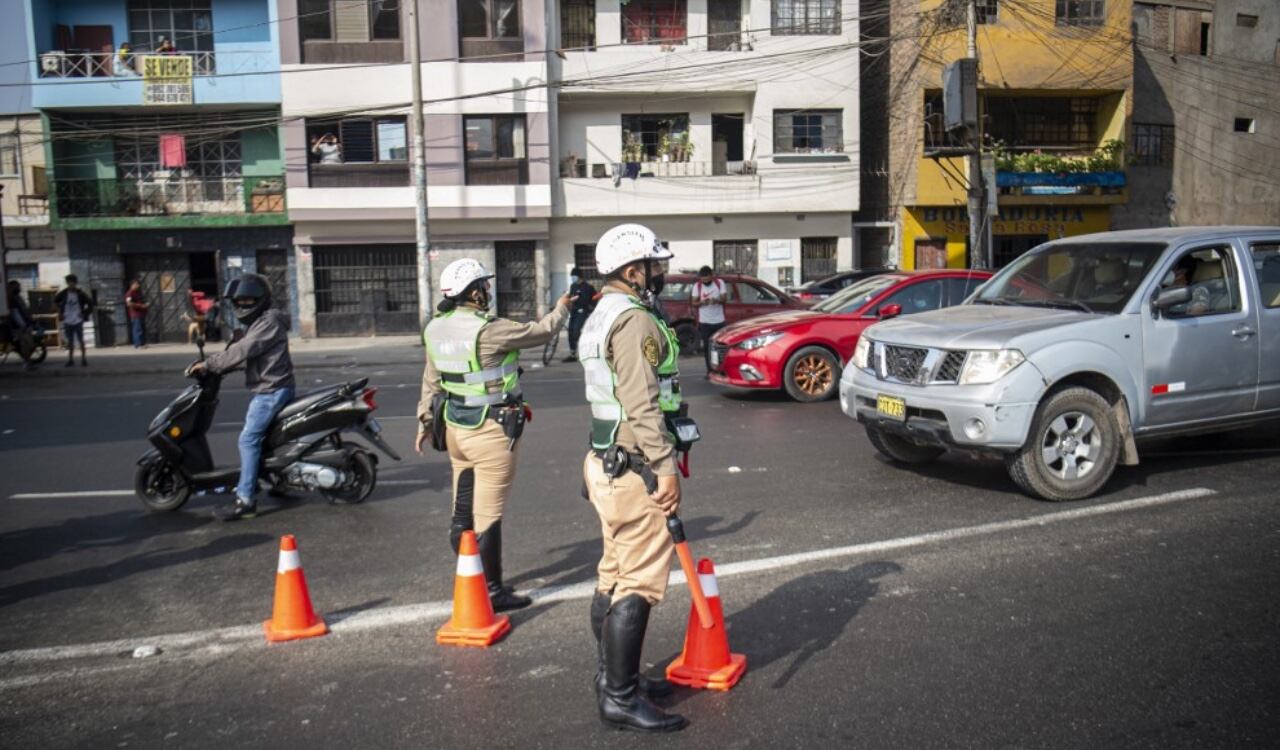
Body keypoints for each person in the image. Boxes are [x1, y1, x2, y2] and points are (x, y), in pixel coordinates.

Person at [578, 223, 688, 733]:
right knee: (638, 584)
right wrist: (665, 467)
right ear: (632, 270)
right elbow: (641, 404)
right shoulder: (635, 321)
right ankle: (619, 697)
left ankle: (613, 678)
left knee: (613, 574)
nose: (660, 274)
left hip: (607, 458)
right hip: (635, 467)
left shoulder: (602, 313)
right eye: (654, 266)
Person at [416, 259, 572, 611]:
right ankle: (491, 591)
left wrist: (425, 421)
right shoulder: (489, 328)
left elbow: (431, 378)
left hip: (455, 428)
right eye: (484, 286)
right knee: (488, 514)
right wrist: (561, 308)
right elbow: (542, 332)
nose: (487, 291)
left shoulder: (435, 327)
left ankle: (469, 573)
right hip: (490, 430)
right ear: (473, 292)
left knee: (462, 510)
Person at [187, 274, 294, 521]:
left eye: (247, 300)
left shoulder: (267, 322)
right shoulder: (262, 321)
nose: (242, 305)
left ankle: (245, 500)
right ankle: (280, 481)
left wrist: (209, 364)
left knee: (248, 440)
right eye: (239, 300)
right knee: (266, 441)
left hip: (271, 391)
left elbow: (245, 349)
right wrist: (222, 365)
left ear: (260, 299)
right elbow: (250, 354)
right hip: (273, 386)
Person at [690, 265, 727, 376]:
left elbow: (724, 299)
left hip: (719, 321)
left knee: (721, 347)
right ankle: (710, 370)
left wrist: (716, 300)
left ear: (712, 276)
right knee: (707, 348)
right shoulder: (697, 286)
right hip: (705, 322)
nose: (705, 281)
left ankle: (722, 370)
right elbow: (693, 303)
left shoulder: (720, 283)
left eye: (707, 279)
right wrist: (702, 302)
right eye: (703, 279)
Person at [54, 274, 93, 367]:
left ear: (75, 283)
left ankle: (84, 359)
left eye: (72, 283)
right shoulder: (63, 293)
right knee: (70, 341)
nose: (71, 285)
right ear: (67, 283)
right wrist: (60, 312)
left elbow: (90, 303)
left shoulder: (80, 294)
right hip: (67, 320)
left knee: (81, 340)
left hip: (78, 320)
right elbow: (55, 301)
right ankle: (70, 359)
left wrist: (84, 313)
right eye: (69, 283)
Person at [563, 267, 596, 362]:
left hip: (583, 311)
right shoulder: (573, 286)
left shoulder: (587, 287)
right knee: (570, 331)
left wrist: (579, 299)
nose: (573, 277)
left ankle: (583, 349)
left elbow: (589, 299)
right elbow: (571, 296)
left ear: (579, 276)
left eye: (574, 276)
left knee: (576, 331)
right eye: (572, 276)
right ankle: (572, 353)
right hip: (574, 311)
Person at [6, 280, 38, 370]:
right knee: (26, 345)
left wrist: (30, 320)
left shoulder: (18, 298)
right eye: (17, 286)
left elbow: (25, 310)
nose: (19, 288)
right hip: (20, 327)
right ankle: (27, 363)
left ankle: (27, 362)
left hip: (25, 324)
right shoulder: (12, 300)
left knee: (29, 345)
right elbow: (15, 313)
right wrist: (23, 325)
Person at [125, 279, 148, 348]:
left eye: (138, 284)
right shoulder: (129, 293)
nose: (138, 286)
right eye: (136, 284)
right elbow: (129, 304)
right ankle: (138, 344)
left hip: (140, 313)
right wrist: (140, 306)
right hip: (135, 314)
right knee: (137, 329)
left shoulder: (137, 292)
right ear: (132, 285)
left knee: (140, 328)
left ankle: (141, 343)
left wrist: (144, 305)